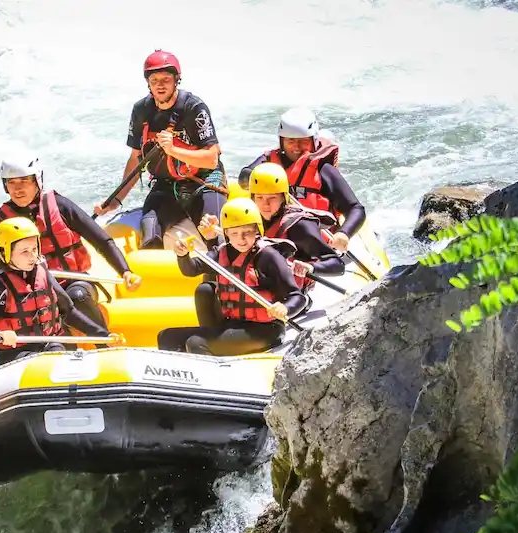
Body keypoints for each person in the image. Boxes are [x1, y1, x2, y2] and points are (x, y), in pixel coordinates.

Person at [0, 155, 142, 329]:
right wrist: (5, 270)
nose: (18, 189)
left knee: (77, 295)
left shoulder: (60, 206)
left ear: (37, 181)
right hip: (26, 292)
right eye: (11, 182)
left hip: (71, 281)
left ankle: (104, 341)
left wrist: (125, 271)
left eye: (24, 181)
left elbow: (102, 242)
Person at [92, 50, 226, 250]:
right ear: (148, 83)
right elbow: (136, 158)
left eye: (166, 79)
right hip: (166, 185)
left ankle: (217, 276)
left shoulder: (194, 108)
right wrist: (116, 201)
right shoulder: (141, 110)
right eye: (154, 80)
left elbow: (211, 159)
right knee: (150, 231)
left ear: (176, 80)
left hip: (204, 181)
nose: (160, 85)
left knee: (212, 232)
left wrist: (173, 150)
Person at [156, 198, 306, 356]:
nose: (241, 239)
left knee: (196, 343)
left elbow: (297, 297)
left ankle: (212, 362)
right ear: (226, 233)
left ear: (257, 230)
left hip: (266, 329)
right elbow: (191, 269)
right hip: (231, 325)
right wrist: (183, 255)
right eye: (234, 233)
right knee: (166, 337)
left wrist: (285, 307)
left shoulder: (268, 257)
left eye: (247, 232)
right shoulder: (222, 252)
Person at [0, 218, 116, 366]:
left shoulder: (42, 273)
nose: (33, 256)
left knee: (56, 354)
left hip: (51, 343)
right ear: (5, 251)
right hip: (16, 353)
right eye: (25, 251)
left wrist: (101, 333)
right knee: (42, 362)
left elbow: (68, 311)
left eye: (35, 249)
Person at [238, 107, 366, 252]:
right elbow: (244, 176)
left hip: (313, 245)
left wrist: (344, 233)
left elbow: (356, 209)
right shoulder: (269, 162)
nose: (296, 147)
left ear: (314, 140)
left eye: (303, 141)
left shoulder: (323, 170)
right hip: (272, 242)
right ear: (282, 141)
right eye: (290, 141)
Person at [247, 163, 346, 280]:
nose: (265, 204)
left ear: (283, 197)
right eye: (259, 198)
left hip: (292, 292)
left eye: (272, 198)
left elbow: (338, 265)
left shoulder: (300, 227)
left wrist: (311, 268)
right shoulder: (248, 219)